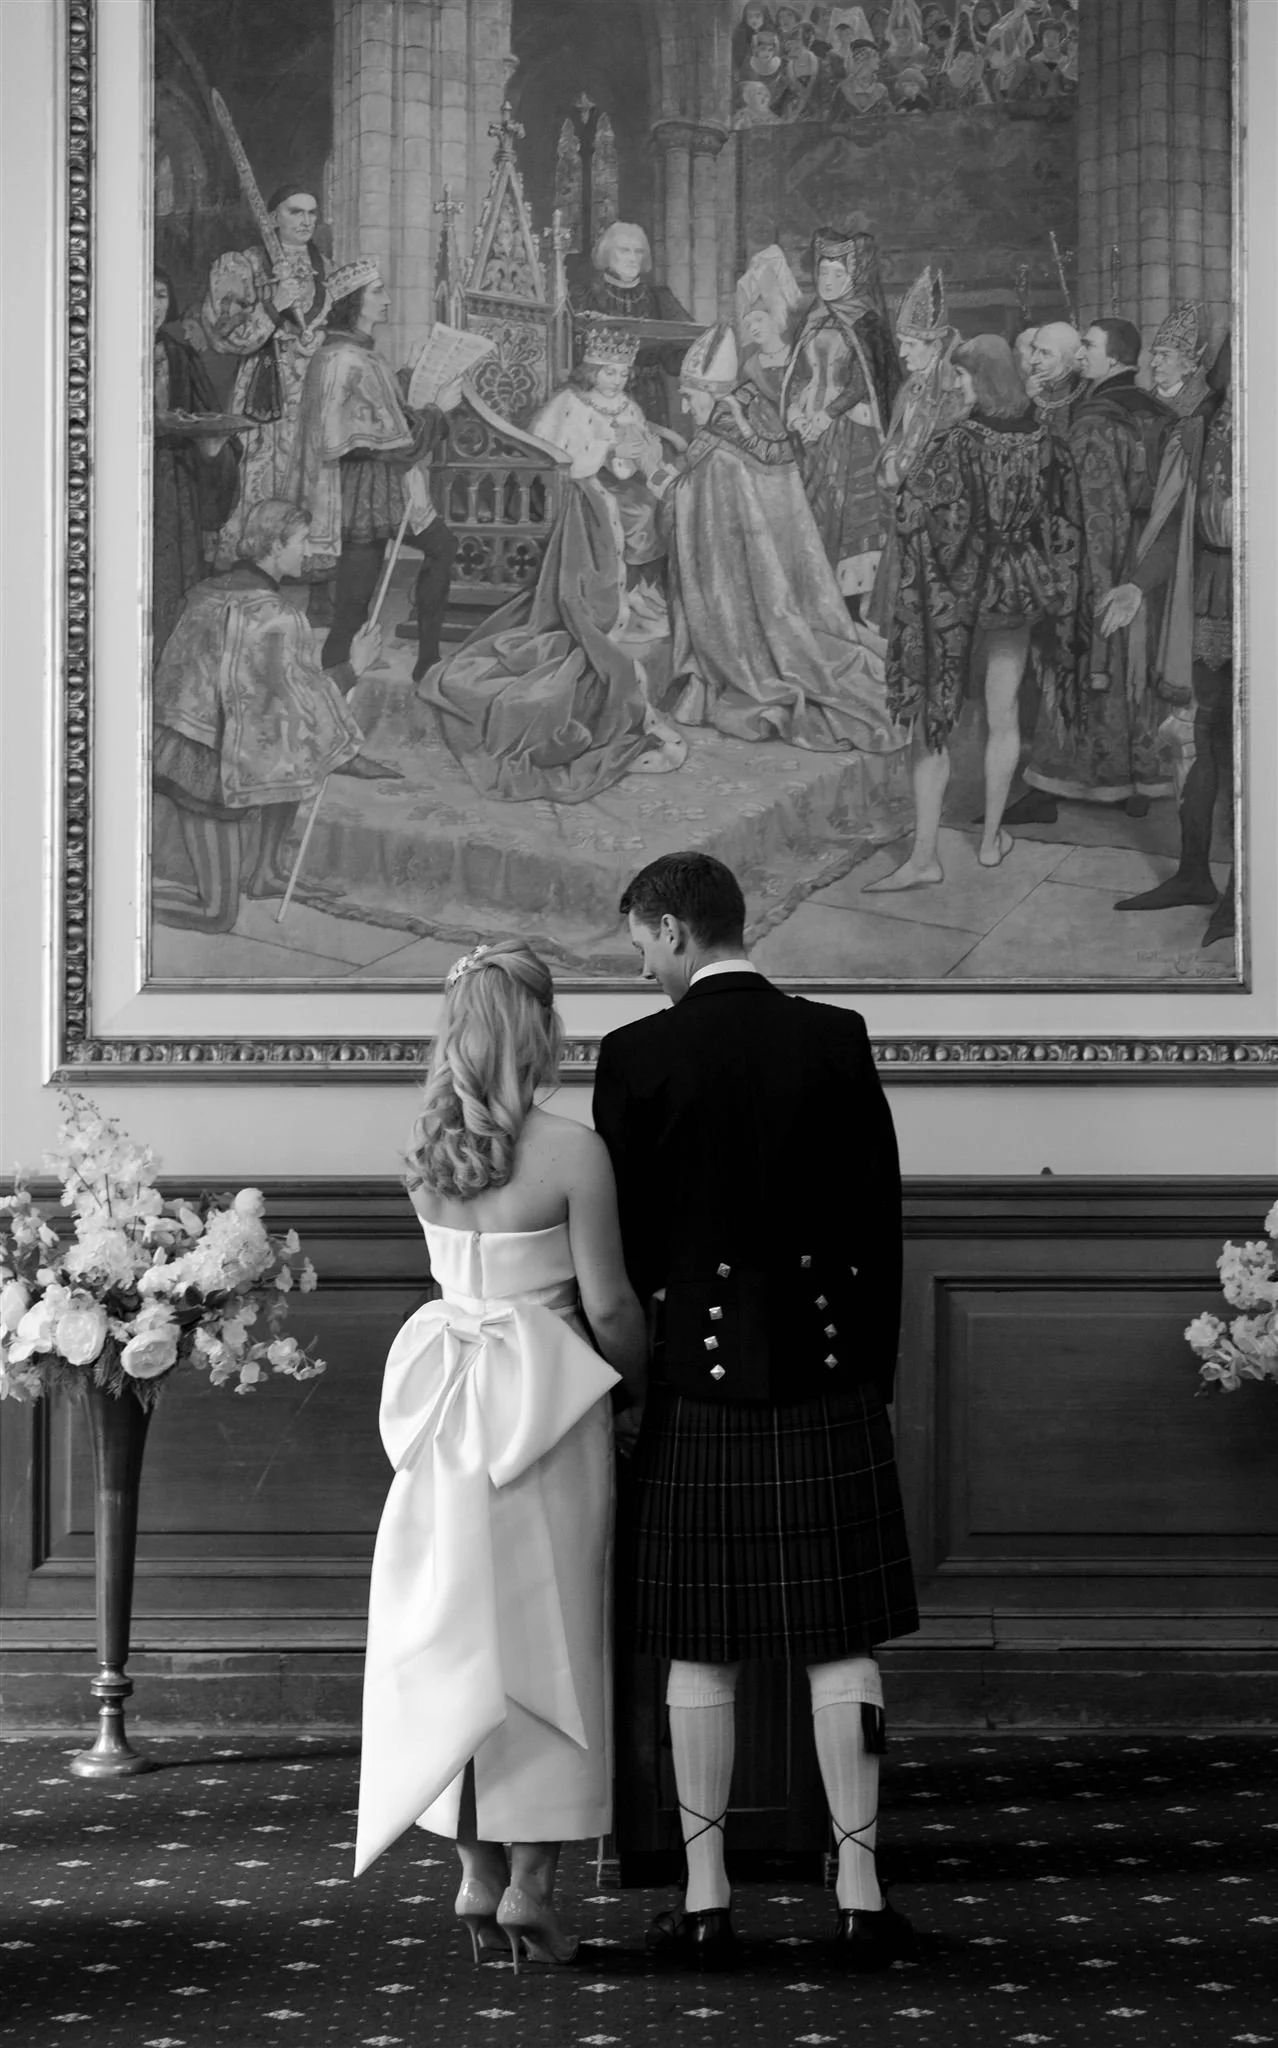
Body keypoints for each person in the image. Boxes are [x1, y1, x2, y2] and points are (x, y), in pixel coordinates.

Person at [593, 851, 919, 1971]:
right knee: (844, 1647)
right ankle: (864, 1892)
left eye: (641, 940)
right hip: (830, 1377)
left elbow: (624, 1252)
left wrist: (629, 1389)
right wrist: (873, 1374)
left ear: (678, 929)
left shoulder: (637, 1055)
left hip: (697, 1382)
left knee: (702, 1653)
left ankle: (704, 1896)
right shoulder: (835, 1036)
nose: (641, 965)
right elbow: (881, 1222)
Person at [354, 942, 647, 1971]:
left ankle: (474, 1869)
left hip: (447, 1411)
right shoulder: (574, 1150)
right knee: (554, 1646)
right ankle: (532, 1882)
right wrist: (638, 1380)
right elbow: (608, 1304)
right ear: (540, 1028)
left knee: (455, 1634)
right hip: (550, 1416)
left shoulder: (423, 1150)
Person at [420, 331, 687, 802]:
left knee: (653, 508)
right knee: (636, 512)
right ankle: (609, 600)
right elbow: (548, 453)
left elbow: (635, 449)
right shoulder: (568, 402)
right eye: (609, 371)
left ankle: (642, 597)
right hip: (577, 488)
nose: (616, 379)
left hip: (617, 481)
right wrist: (604, 458)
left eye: (623, 373)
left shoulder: (626, 405)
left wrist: (633, 458)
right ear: (590, 370)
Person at [867, 333, 1082, 887]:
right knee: (1002, 712)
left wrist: (899, 481)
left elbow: (921, 514)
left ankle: (924, 858)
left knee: (933, 723)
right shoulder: (1044, 437)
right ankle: (989, 843)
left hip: (958, 593)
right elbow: (1063, 520)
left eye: (963, 378)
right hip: (1017, 589)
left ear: (983, 380)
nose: (957, 387)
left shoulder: (958, 441)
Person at [659, 325, 906, 756]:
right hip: (780, 591)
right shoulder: (752, 414)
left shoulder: (718, 451)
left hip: (743, 604)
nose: (683, 405)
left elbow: (692, 511)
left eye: (690, 395)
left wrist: (655, 475)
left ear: (714, 393)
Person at [151, 500, 390, 934]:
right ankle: (121, 897)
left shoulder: (206, 592)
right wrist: (356, 665)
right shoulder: (279, 616)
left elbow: (274, 700)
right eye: (301, 541)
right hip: (204, 768)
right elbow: (299, 703)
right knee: (217, 916)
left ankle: (266, 870)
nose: (308, 551)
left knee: (291, 749)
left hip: (191, 741)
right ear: (276, 545)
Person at [1009, 317, 1175, 825]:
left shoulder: (1097, 419)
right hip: (1145, 559)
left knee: (1083, 666)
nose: (1081, 354)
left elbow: (1088, 510)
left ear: (1116, 357)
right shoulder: (1153, 410)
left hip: (1097, 564)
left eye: (1088, 345)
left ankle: (1055, 786)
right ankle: (1136, 784)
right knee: (1134, 671)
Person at [1100, 332, 1234, 947]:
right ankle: (1193, 874)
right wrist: (1134, 587)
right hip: (1207, 594)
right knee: (1200, 734)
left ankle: (1249, 895)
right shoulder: (1201, 427)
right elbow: (1175, 517)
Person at [285, 257, 462, 677]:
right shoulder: (342, 359)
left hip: (385, 483)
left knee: (440, 548)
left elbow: (383, 408)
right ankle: (336, 673)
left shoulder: (363, 355)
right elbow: (379, 439)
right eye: (377, 292)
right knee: (355, 599)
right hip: (361, 488)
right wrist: (438, 412)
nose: (386, 300)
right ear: (355, 302)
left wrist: (412, 373)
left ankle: (427, 659)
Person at [203, 183, 330, 566]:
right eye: (295, 211)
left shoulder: (326, 268)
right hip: (265, 384)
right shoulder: (245, 264)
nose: (306, 220)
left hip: (312, 387)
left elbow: (337, 325)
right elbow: (228, 337)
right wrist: (273, 307)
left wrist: (320, 339)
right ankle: (250, 565)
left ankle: (305, 568)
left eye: (311, 213)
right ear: (273, 217)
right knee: (258, 474)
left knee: (309, 474)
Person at [784, 228, 902, 613]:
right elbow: (799, 373)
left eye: (838, 274)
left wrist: (827, 415)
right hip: (808, 431)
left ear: (855, 276)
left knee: (843, 509)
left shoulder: (867, 323)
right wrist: (798, 411)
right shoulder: (812, 317)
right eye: (823, 274)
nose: (829, 282)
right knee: (808, 506)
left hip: (850, 432)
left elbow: (860, 382)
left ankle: (848, 608)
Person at [866, 265, 963, 634]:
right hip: (902, 508)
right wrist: (890, 464)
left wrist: (905, 468)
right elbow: (894, 439)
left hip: (938, 521)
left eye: (910, 345)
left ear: (934, 345)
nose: (902, 353)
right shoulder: (911, 387)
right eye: (901, 342)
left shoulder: (953, 388)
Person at [151, 267, 241, 657]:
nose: (152, 306)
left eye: (160, 296)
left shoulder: (177, 353)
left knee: (173, 578)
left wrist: (212, 448)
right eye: (144, 295)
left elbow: (206, 416)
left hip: (172, 479)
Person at [572, 221, 693, 428]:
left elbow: (677, 356)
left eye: (638, 252)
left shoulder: (659, 298)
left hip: (649, 395)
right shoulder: (586, 295)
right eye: (624, 250)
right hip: (597, 394)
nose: (632, 257)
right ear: (607, 254)